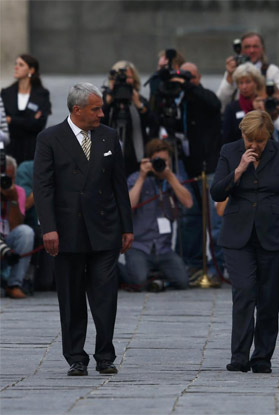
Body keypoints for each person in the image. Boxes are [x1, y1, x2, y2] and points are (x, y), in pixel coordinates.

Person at [33, 83, 134, 376]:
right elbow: (43, 187)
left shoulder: (109, 136)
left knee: (105, 296)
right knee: (71, 297)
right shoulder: (50, 138)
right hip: (67, 232)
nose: (101, 113)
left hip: (105, 230)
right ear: (77, 110)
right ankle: (76, 356)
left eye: (101, 108)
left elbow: (119, 185)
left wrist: (127, 227)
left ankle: (105, 354)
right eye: (96, 109)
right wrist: (48, 228)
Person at [210, 110, 279, 373]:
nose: (255, 146)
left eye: (260, 141)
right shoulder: (229, 151)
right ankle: (239, 355)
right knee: (244, 293)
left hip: (275, 233)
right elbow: (217, 192)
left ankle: (262, 356)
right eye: (250, 140)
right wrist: (238, 170)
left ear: (269, 137)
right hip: (238, 234)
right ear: (242, 135)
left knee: (270, 298)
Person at [175, 62, 224, 282]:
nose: (187, 80)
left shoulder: (203, 95)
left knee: (215, 222)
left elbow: (215, 104)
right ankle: (193, 263)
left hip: (210, 166)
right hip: (188, 166)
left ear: (199, 77)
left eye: (191, 76)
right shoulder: (179, 99)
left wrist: (189, 86)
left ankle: (217, 267)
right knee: (190, 218)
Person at [124, 139, 192, 291]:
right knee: (138, 281)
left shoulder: (173, 179)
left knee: (183, 282)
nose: (161, 164)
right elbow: (127, 206)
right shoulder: (136, 178)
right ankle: (121, 269)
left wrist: (170, 176)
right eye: (157, 160)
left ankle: (156, 277)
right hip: (139, 246)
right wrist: (142, 177)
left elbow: (188, 203)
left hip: (164, 248)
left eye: (164, 160)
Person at [101, 60, 158, 176]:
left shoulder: (139, 100)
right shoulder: (103, 100)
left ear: (134, 80)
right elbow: (94, 124)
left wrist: (140, 106)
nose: (125, 81)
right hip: (108, 158)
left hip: (135, 158)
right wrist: (107, 103)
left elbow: (154, 124)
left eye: (129, 77)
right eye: (120, 78)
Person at [1, 54, 52, 163]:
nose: (16, 67)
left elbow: (39, 124)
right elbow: (3, 121)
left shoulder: (42, 94)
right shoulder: (6, 93)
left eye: (21, 65)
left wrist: (11, 119)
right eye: (16, 64)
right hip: (10, 150)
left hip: (32, 150)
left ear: (31, 70)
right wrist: (29, 120)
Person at [216, 32, 279, 111]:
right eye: (247, 47)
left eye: (255, 47)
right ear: (240, 50)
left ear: (263, 49)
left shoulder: (272, 71)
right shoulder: (233, 71)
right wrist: (229, 77)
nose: (251, 51)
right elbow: (220, 104)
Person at [1, 155, 34, 299]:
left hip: (8, 239)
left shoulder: (18, 191)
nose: (7, 183)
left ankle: (14, 284)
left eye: (11, 178)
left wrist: (12, 199)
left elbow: (16, 225)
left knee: (26, 232)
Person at [222, 63, 265, 144]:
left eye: (248, 82)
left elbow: (271, 135)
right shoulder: (232, 108)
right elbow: (226, 139)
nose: (244, 87)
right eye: (241, 83)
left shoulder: (263, 104)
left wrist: (261, 112)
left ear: (256, 83)